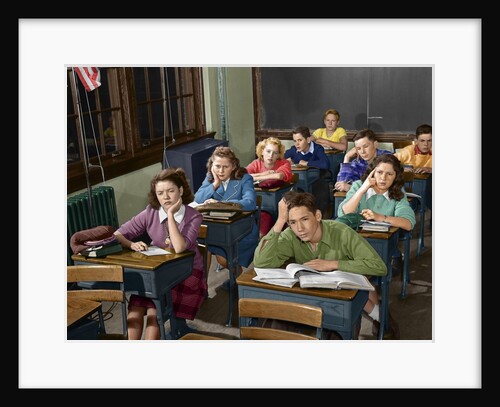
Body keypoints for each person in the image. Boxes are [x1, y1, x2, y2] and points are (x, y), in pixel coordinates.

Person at [253, 191, 391, 339]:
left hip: (340, 303)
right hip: (309, 299)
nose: (299, 228)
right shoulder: (291, 235)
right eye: (292, 222)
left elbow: (379, 266)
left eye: (304, 219)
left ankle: (381, 318)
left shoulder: (342, 232)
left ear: (318, 216)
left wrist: (333, 264)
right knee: (275, 326)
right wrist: (280, 221)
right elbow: (261, 262)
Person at [113, 168, 207, 339]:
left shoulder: (193, 216)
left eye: (171, 191)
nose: (166, 197)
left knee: (153, 309)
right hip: (158, 270)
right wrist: (132, 244)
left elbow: (179, 247)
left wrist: (170, 215)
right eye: (160, 193)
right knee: (136, 308)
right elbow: (118, 234)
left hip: (188, 272)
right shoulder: (150, 212)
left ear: (181, 190)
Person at [338, 154, 416, 284]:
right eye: (379, 172)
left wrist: (380, 217)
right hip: (353, 243)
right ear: (372, 173)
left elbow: (408, 223)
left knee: (372, 273)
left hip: (381, 246)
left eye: (389, 174)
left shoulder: (397, 193)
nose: (383, 178)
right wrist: (363, 188)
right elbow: (343, 214)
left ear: (396, 176)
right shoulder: (358, 186)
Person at [194, 146, 259, 285]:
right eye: (217, 166)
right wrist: (215, 184)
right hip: (217, 229)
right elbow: (198, 199)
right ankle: (202, 287)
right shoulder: (211, 178)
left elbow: (250, 203)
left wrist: (220, 203)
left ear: (234, 166)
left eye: (225, 167)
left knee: (223, 259)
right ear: (212, 165)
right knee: (203, 248)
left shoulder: (244, 178)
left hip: (242, 230)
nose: (221, 171)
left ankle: (239, 281)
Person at [246, 137, 293, 238]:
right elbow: (242, 176)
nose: (271, 155)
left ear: (278, 155)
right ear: (262, 151)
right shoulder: (256, 163)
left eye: (275, 153)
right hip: (261, 204)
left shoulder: (284, 163)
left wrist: (256, 177)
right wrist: (266, 173)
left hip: (282, 203)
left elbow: (278, 176)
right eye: (268, 151)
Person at [284, 126, 331, 216]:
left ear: (308, 140)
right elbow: (280, 157)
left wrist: (308, 163)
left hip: (318, 179)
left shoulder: (317, 149)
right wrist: (286, 163)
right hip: (301, 180)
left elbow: (325, 164)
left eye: (300, 140)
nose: (297, 144)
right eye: (295, 141)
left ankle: (318, 217)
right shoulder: (294, 150)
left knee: (321, 191)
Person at [334, 128, 392, 193]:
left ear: (375, 144)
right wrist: (347, 157)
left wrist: (351, 188)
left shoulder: (387, 158)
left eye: (366, 146)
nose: (362, 151)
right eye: (358, 148)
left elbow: (383, 187)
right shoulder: (358, 163)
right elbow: (341, 184)